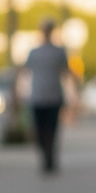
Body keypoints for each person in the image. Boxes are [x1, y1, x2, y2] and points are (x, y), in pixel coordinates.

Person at [23, 18, 71, 173]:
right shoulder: (36, 52)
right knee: (44, 131)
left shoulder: (56, 51)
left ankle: (49, 158)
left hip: (50, 96)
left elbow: (66, 73)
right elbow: (24, 72)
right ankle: (46, 157)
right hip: (41, 96)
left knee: (49, 130)